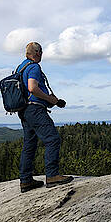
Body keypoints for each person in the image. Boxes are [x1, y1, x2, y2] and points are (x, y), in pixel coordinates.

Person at [17, 42, 73, 193]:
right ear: (36, 52)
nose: (42, 55)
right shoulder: (34, 67)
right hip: (35, 109)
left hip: (24, 111)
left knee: (29, 145)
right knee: (52, 138)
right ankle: (52, 175)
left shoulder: (21, 67)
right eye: (41, 52)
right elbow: (32, 88)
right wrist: (50, 99)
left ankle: (26, 180)